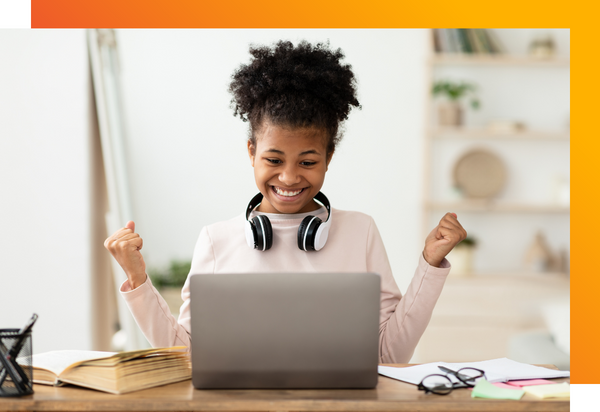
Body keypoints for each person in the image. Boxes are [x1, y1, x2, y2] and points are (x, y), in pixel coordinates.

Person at [104, 40, 467, 363]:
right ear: (251, 152)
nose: (290, 177)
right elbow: (186, 356)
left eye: (308, 162)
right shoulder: (216, 240)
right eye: (274, 160)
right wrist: (137, 279)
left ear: (329, 156)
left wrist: (430, 264)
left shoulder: (360, 231)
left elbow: (390, 354)